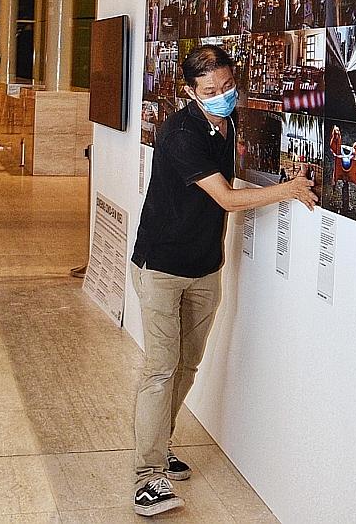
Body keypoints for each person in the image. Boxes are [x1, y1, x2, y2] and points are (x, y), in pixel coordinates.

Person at [128, 44, 316, 517]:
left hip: (205, 266)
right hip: (162, 267)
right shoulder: (181, 134)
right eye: (210, 91)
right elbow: (228, 199)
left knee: (187, 366)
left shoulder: (225, 125)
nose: (222, 96)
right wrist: (291, 191)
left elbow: (237, 176)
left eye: (228, 87)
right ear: (190, 91)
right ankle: (146, 476)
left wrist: (285, 171)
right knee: (160, 370)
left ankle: (160, 446)